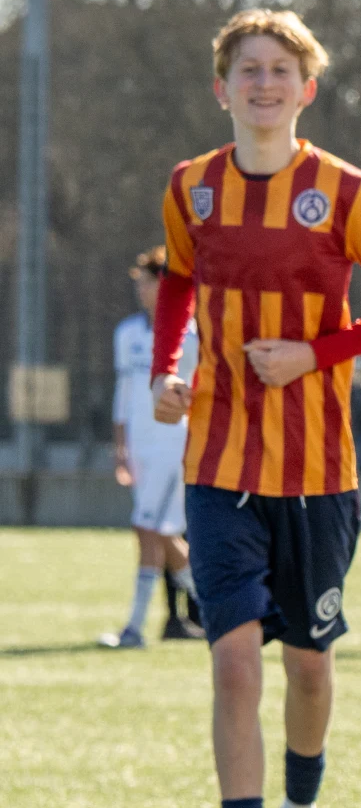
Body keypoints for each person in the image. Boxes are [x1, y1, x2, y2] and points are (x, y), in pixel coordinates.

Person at [150, 9, 361, 808]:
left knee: (309, 666)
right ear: (221, 87)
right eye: (248, 70)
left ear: (305, 90)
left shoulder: (345, 192)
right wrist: (169, 368)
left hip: (318, 473)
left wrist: (317, 352)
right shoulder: (190, 189)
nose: (264, 84)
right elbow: (180, 286)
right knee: (233, 661)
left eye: (281, 70)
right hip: (218, 463)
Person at [105, 246, 202, 648]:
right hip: (142, 450)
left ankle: (134, 628)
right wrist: (121, 448)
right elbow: (124, 395)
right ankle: (221, 605)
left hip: (172, 446)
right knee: (159, 535)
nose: (140, 290)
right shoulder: (126, 334)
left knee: (148, 529)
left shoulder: (191, 335)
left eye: (146, 283)